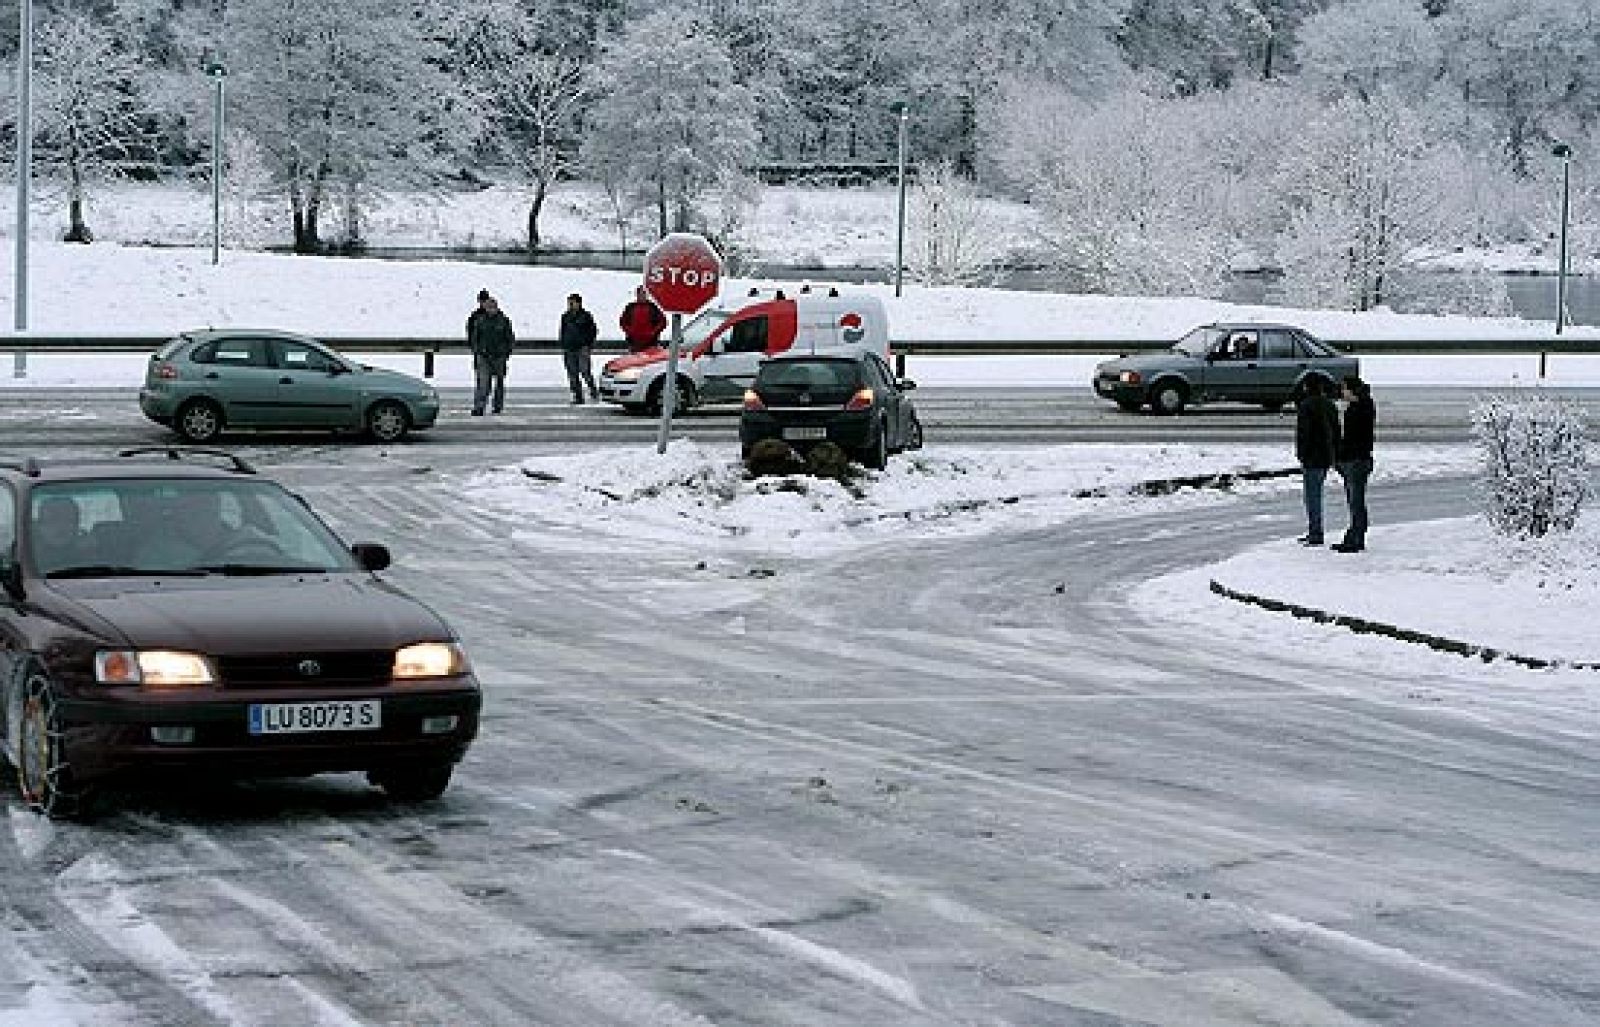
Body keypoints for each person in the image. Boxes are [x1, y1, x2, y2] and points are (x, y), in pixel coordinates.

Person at [1294, 375, 1341, 546]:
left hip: (1312, 456)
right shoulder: (1330, 405)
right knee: (1316, 494)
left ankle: (1315, 532)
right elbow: (1336, 431)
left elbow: (1304, 433)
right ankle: (1315, 530)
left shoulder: (1306, 406)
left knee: (1312, 496)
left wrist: (1301, 454)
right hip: (1326, 455)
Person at [1333, 376, 1376, 553]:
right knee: (1355, 501)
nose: (1342, 392)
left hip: (1356, 459)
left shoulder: (1360, 408)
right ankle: (1355, 535)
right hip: (1357, 458)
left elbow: (1354, 437)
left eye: (1344, 389)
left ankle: (1356, 537)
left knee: (1356, 501)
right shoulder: (1361, 406)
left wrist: (1342, 455)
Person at [467, 289, 515, 416]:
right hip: (483, 356)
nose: (490, 309)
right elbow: (474, 337)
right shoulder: (479, 320)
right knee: (483, 383)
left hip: (499, 357)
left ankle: (497, 406)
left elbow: (509, 338)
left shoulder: (503, 320)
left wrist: (506, 352)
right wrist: (477, 351)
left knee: (499, 383)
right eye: (488, 307)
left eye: (492, 307)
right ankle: (479, 406)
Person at [30, 496, 93, 573]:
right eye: (53, 520)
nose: (61, 526)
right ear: (40, 525)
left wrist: (88, 552)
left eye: (68, 519)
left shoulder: (93, 558)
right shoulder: (26, 555)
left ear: (77, 525)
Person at [559, 293, 599, 405]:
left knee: (585, 371)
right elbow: (563, 331)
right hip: (569, 348)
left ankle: (593, 389)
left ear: (579, 303)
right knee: (572, 373)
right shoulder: (565, 316)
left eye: (573, 302)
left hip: (582, 348)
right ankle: (578, 395)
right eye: (569, 303)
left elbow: (593, 331)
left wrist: (587, 344)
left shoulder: (586, 316)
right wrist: (563, 343)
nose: (571, 305)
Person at [619, 286, 667, 353]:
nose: (641, 295)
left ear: (647, 295)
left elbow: (662, 322)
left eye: (643, 293)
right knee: (635, 358)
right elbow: (623, 322)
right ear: (636, 295)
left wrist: (653, 332)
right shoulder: (630, 307)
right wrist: (630, 332)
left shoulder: (653, 307)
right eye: (639, 293)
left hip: (651, 342)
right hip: (634, 343)